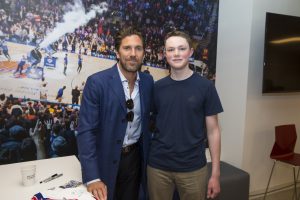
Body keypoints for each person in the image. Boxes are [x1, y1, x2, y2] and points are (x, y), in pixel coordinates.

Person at [76, 27, 154, 200]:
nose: (133, 54)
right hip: (104, 160)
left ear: (143, 53)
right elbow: (86, 132)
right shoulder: (97, 82)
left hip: (135, 160)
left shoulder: (148, 82)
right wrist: (93, 177)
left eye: (138, 48)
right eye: (127, 48)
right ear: (117, 53)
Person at [147, 31, 223, 200]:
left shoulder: (206, 87)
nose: (176, 54)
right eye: (171, 49)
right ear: (164, 53)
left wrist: (216, 173)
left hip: (193, 168)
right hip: (158, 167)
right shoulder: (157, 87)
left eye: (181, 48)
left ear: (190, 52)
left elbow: (213, 131)